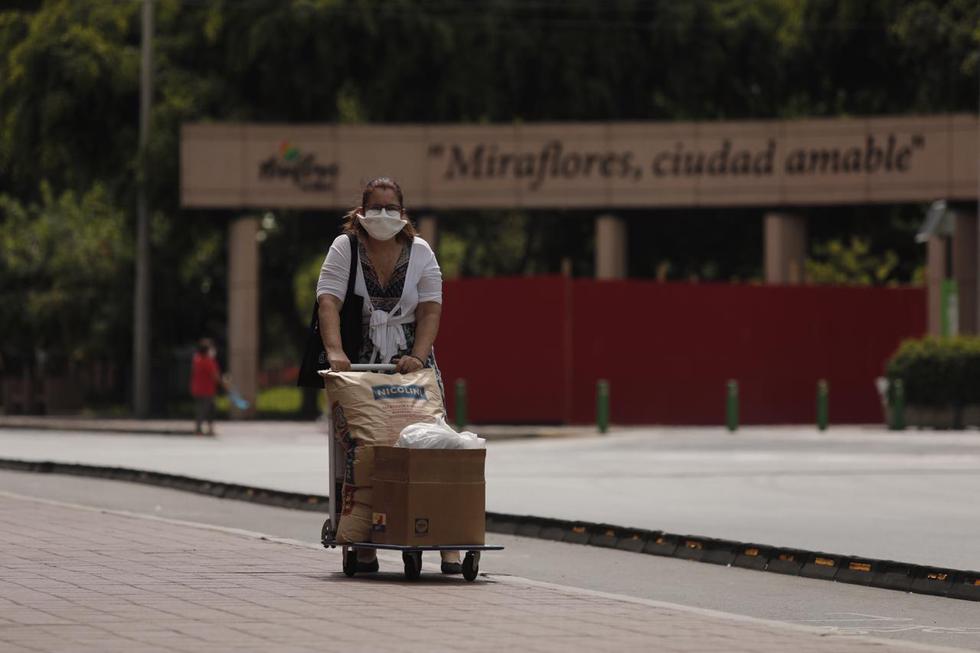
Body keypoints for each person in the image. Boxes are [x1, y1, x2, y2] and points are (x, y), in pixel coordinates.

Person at [315, 176, 461, 574]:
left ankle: (447, 540)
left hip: (411, 364)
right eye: (374, 207)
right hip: (361, 364)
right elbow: (328, 299)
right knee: (362, 448)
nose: (382, 215)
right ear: (361, 212)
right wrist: (335, 351)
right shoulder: (345, 248)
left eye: (390, 207)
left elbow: (431, 306)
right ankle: (363, 542)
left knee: (430, 441)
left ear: (403, 213)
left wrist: (418, 355)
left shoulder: (421, 253)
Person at [190, 338, 221, 436]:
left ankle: (201, 429)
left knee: (201, 409)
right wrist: (223, 383)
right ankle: (203, 429)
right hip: (207, 390)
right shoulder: (209, 361)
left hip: (197, 388)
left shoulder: (196, 359)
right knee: (207, 410)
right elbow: (215, 376)